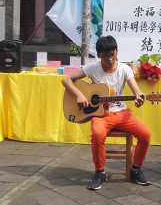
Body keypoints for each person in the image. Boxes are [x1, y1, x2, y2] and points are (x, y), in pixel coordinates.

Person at [62, 36, 152, 191]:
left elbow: (136, 90)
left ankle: (136, 169)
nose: (110, 59)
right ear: (99, 55)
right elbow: (66, 80)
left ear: (117, 52)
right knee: (97, 134)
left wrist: (139, 97)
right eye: (105, 56)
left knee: (146, 134)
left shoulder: (125, 69)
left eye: (112, 54)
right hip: (101, 115)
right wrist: (79, 95)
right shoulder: (92, 68)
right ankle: (100, 172)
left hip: (122, 113)